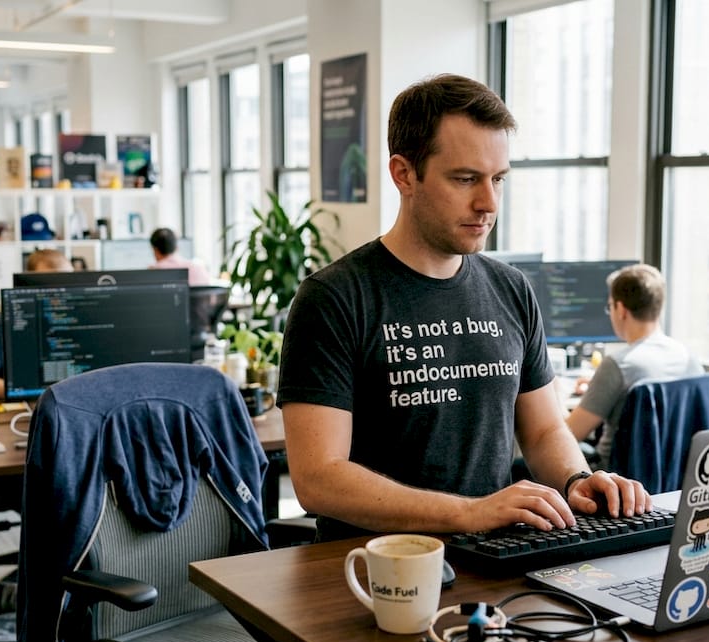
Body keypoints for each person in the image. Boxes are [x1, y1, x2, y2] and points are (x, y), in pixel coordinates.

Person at [276, 74, 650, 542]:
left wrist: (576, 479)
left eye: (497, 179)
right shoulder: (334, 299)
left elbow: (542, 432)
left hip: (491, 559)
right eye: (466, 179)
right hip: (370, 567)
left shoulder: (512, 289)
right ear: (404, 174)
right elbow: (318, 479)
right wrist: (468, 513)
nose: (488, 202)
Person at [564, 264, 704, 466]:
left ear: (620, 309)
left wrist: (555, 399)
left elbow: (569, 435)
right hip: (673, 478)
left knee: (520, 467)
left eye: (610, 305)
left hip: (612, 482)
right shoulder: (689, 359)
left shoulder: (617, 366)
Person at [0, 249, 71, 399]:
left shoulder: (87, 325)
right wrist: (26, 392)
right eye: (50, 285)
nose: (58, 293)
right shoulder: (4, 323)